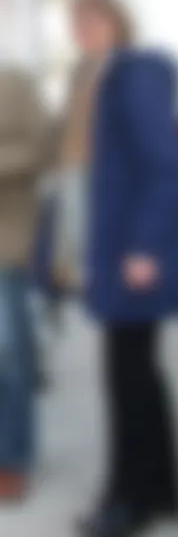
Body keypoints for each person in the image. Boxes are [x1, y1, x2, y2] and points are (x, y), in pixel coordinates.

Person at [67, 0, 178, 537]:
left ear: (115, 22)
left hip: (135, 254)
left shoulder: (134, 74)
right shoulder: (104, 75)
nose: (82, 32)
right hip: (117, 249)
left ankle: (128, 500)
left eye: (92, 21)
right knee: (137, 374)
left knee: (128, 377)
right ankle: (160, 490)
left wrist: (144, 248)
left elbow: (163, 165)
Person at [0, 64, 47, 503]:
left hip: (6, 241)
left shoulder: (15, 81)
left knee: (7, 353)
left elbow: (38, 149)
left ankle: (11, 459)